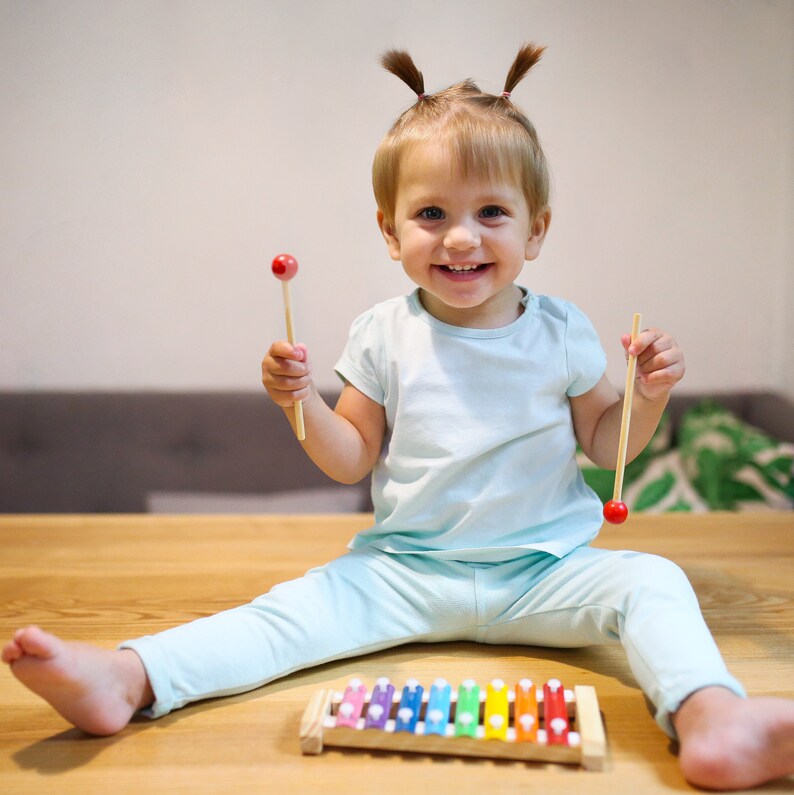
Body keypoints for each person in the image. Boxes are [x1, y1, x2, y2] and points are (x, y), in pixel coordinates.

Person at [4, 44, 793, 791]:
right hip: (405, 573)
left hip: (545, 573)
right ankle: (129, 675)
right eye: (429, 213)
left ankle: (711, 716)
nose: (459, 236)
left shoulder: (562, 330)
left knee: (653, 580)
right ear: (390, 231)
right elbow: (352, 459)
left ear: (536, 229)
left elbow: (603, 443)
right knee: (287, 611)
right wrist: (300, 404)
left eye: (491, 212)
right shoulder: (383, 332)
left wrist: (646, 396)